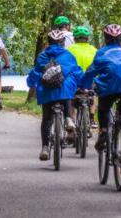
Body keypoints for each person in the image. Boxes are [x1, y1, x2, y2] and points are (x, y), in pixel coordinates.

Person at [79, 24, 121, 151]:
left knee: (103, 108)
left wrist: (82, 86)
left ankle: (103, 130)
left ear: (105, 38)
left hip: (109, 87)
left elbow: (91, 71)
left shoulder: (102, 52)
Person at [27, 30, 83, 161]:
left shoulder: (42, 56)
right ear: (63, 43)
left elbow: (35, 73)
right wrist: (84, 85)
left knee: (46, 119)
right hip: (64, 89)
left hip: (46, 91)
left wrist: (30, 83)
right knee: (66, 92)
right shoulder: (69, 55)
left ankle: (45, 148)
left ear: (48, 42)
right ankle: (69, 118)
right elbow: (77, 71)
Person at [68, 26, 98, 126]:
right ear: (87, 38)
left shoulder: (70, 49)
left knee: (71, 98)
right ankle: (92, 118)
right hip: (90, 79)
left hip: (75, 79)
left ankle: (72, 121)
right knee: (92, 95)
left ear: (75, 38)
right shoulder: (94, 50)